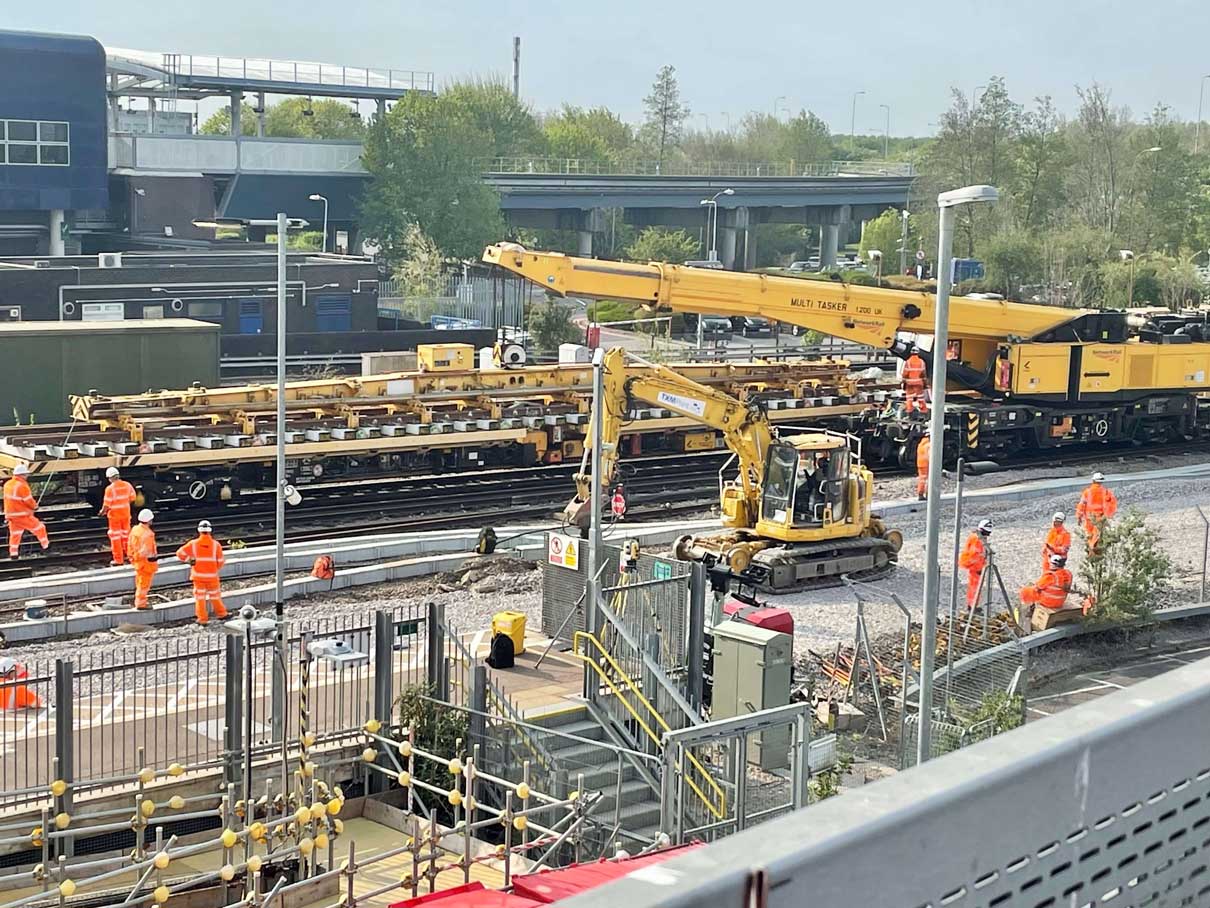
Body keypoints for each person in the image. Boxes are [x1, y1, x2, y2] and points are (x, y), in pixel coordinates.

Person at [176, 520, 228, 626]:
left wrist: (188, 560)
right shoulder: (216, 545)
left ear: (199, 531)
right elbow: (221, 561)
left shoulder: (193, 544)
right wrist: (214, 569)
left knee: (200, 599)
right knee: (215, 596)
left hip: (198, 577)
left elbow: (179, 553)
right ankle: (222, 614)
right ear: (210, 531)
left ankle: (202, 619)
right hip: (212, 577)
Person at [4, 464, 49, 560]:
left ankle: (14, 554)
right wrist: (35, 506)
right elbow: (28, 500)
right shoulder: (22, 486)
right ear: (21, 475)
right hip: (22, 515)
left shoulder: (7, 484)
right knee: (40, 528)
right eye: (25, 475)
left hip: (11, 516)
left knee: (15, 534)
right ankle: (46, 547)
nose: (27, 476)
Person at [99, 466, 137, 566]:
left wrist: (102, 512)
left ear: (110, 478)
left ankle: (118, 560)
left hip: (114, 517)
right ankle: (130, 557)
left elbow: (106, 505)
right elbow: (133, 498)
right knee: (126, 536)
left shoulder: (110, 489)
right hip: (125, 514)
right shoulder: (127, 485)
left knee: (115, 538)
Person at [1020, 554, 1074, 624]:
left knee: (1027, 591)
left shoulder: (1051, 576)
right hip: (1060, 602)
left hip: (1048, 602)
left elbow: (1038, 586)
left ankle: (1029, 612)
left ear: (1053, 564)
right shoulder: (1068, 574)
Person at [1076, 472, 1118, 552]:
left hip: (1089, 518)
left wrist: (1079, 517)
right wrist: (1109, 515)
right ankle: (1097, 550)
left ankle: (1091, 551)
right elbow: (1112, 503)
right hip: (1101, 517)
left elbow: (1081, 504)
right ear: (1101, 481)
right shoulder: (1106, 492)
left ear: (1093, 481)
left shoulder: (1087, 492)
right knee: (1099, 535)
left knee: (1090, 534)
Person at [128, 509, 159, 611]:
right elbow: (147, 551)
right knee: (144, 585)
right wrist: (153, 558)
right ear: (149, 520)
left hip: (137, 561)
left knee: (139, 582)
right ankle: (141, 604)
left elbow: (130, 545)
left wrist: (132, 558)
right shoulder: (148, 534)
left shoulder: (135, 530)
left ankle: (139, 601)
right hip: (146, 563)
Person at [958, 519, 992, 609]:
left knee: (974, 586)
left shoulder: (977, 537)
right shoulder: (977, 539)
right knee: (974, 587)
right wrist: (979, 568)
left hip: (975, 565)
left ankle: (973, 605)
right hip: (975, 567)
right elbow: (975, 555)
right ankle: (972, 606)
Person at [902, 346, 928, 414]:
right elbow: (923, 374)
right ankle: (923, 410)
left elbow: (905, 373)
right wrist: (925, 383)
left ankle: (909, 410)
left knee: (909, 398)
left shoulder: (908, 362)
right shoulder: (922, 362)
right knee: (921, 397)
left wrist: (903, 382)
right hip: (919, 383)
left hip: (909, 383)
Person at [915, 427, 931, 501]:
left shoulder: (921, 444)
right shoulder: (929, 444)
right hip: (927, 464)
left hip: (920, 463)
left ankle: (920, 494)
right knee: (928, 479)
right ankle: (928, 494)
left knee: (922, 479)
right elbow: (929, 455)